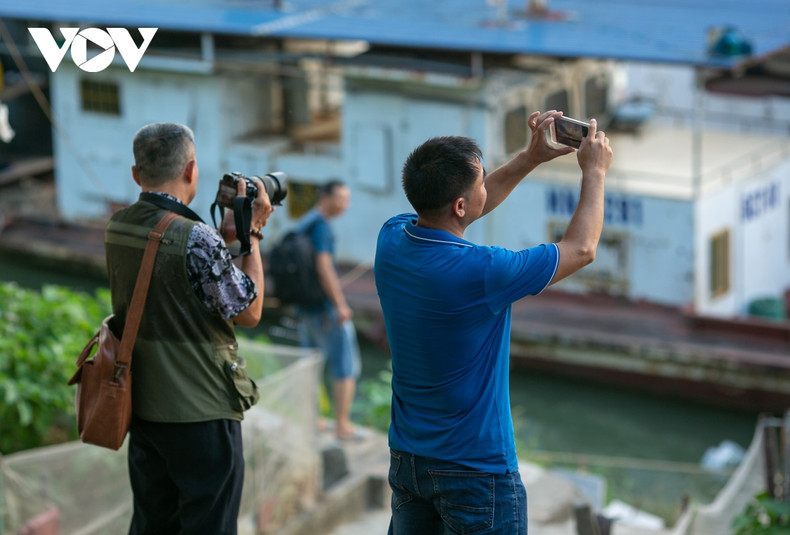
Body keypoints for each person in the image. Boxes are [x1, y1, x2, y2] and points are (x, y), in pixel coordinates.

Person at [374, 111, 613, 534]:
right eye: (481, 181)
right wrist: (594, 172)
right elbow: (581, 249)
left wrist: (531, 158)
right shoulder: (483, 271)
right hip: (476, 472)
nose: (486, 186)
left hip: (409, 460)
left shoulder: (392, 238)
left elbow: (462, 212)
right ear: (462, 204)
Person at [105, 122, 273, 535]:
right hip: (201, 412)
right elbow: (248, 312)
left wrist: (222, 238)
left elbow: (173, 274)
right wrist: (250, 232)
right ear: (191, 170)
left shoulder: (118, 226)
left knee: (152, 524)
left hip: (143, 409)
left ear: (135, 174)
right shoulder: (197, 236)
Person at [295, 179, 362, 440]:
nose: (346, 204)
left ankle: (315, 419)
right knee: (345, 365)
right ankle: (343, 426)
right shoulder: (321, 227)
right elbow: (324, 267)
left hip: (305, 308)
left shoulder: (305, 222)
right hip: (324, 309)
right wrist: (341, 305)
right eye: (342, 198)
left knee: (310, 364)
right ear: (325, 197)